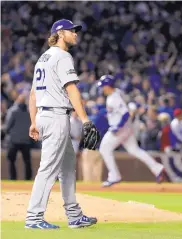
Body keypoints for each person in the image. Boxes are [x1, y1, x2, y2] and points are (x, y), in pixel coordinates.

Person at [25, 19, 100, 229]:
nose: (76, 34)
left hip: (44, 115)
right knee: (48, 169)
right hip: (56, 117)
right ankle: (34, 217)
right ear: (59, 33)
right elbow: (72, 89)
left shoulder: (43, 58)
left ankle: (74, 215)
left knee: (67, 167)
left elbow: (32, 94)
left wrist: (33, 122)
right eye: (72, 31)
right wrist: (85, 119)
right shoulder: (62, 56)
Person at [97, 75, 166, 187]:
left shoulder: (114, 98)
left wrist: (118, 126)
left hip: (120, 129)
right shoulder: (118, 92)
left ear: (108, 86)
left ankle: (114, 176)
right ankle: (157, 168)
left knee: (104, 148)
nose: (102, 88)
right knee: (134, 150)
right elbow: (127, 106)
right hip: (128, 128)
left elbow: (125, 113)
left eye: (103, 86)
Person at [5, 94, 32, 180]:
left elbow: (8, 126)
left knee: (11, 160)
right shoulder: (29, 112)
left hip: (14, 140)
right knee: (27, 161)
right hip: (26, 140)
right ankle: (28, 178)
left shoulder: (12, 111)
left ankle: (13, 178)